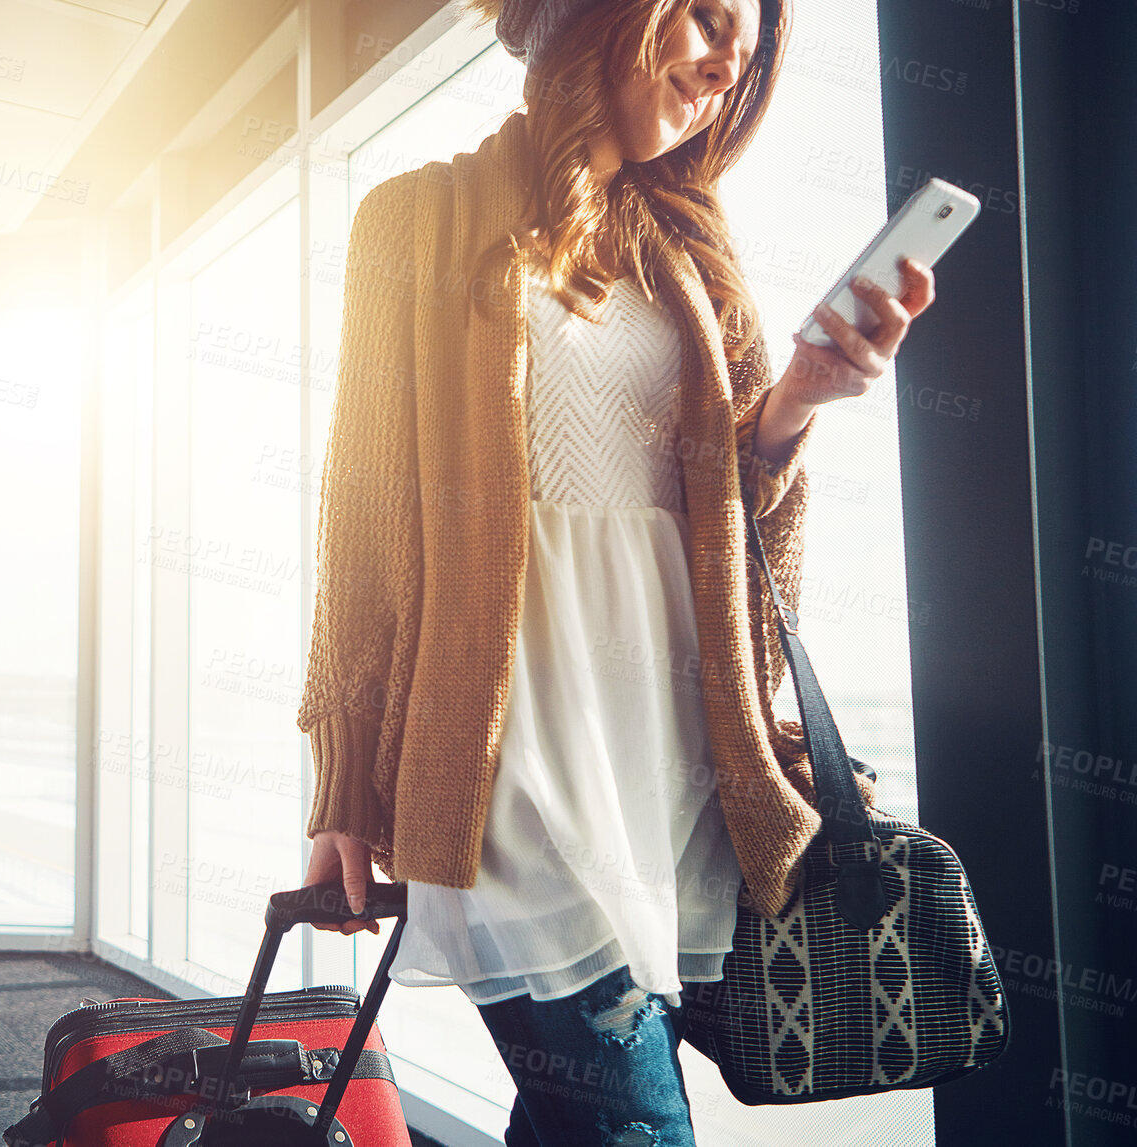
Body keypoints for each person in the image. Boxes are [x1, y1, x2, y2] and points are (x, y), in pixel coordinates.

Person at [296, 0, 934, 1143]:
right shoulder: (415, 223)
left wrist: (790, 409)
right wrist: (342, 778)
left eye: (749, 34)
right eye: (703, 11)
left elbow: (740, 559)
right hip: (511, 787)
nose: (732, 53)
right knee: (635, 1126)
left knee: (572, 1121)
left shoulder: (691, 255)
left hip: (664, 783)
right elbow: (365, 513)